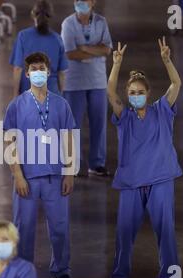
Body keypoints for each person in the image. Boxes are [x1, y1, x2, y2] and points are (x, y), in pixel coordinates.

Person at [107, 38, 183, 278]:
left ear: (148, 93)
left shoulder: (162, 110)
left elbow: (176, 83)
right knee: (124, 231)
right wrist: (116, 65)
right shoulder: (124, 117)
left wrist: (166, 60)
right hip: (131, 182)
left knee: (166, 230)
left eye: (140, 92)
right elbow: (110, 93)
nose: (136, 96)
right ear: (127, 96)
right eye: (132, 93)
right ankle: (119, 276)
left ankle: (171, 277)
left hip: (160, 178)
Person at [3, 52, 77, 278]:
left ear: (48, 72)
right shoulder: (16, 106)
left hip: (55, 177)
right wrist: (17, 175)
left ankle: (61, 271)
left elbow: (68, 139)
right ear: (27, 74)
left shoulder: (60, 104)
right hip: (27, 177)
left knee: (60, 227)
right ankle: (22, 272)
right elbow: (10, 142)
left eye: (41, 68)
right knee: (23, 227)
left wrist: (69, 172)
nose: (37, 72)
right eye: (33, 69)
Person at [61, 0, 112, 177]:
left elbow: (107, 49)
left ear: (93, 2)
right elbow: (70, 53)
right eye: (77, 0)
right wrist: (94, 50)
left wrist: (84, 48)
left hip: (98, 82)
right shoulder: (68, 24)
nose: (80, 3)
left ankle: (97, 163)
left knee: (99, 123)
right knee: (72, 125)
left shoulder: (101, 22)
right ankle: (71, 164)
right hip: (74, 83)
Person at [10, 0, 68, 96]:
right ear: (51, 16)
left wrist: (15, 96)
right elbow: (61, 73)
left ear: (32, 14)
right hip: (51, 93)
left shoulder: (23, 36)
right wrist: (60, 95)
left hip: (28, 93)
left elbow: (17, 69)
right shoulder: (57, 39)